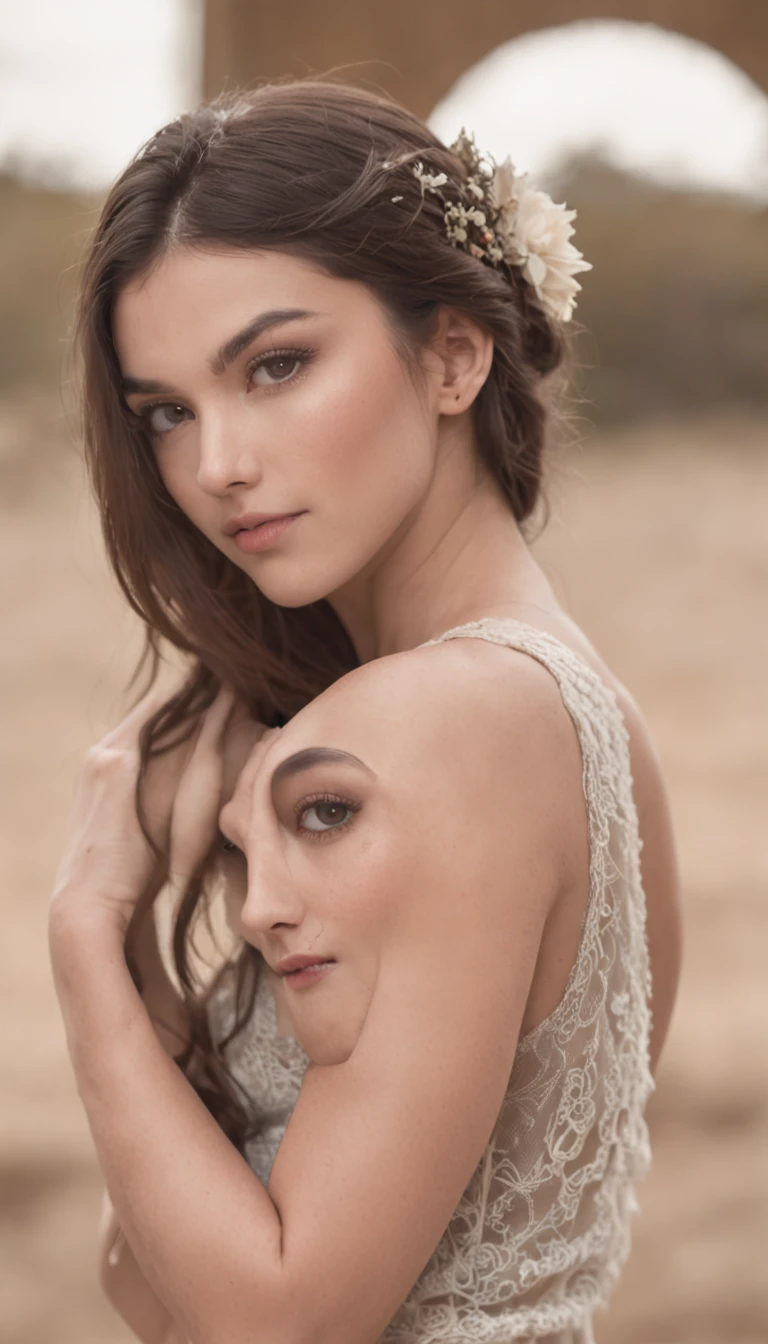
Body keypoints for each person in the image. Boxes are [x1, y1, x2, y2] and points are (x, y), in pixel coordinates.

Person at [49, 76, 683, 1344]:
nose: (215, 464)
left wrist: (87, 934)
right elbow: (142, 1275)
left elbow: (271, 1317)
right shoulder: (577, 709)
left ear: (453, 354)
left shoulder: (439, 724)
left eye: (276, 366)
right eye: (166, 412)